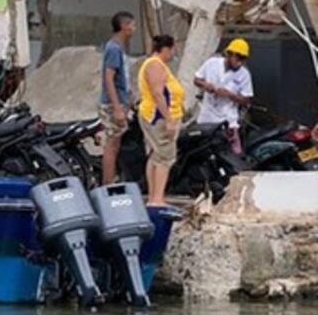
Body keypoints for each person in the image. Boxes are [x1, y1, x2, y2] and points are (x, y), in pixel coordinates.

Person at [137, 34, 185, 207]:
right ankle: (157, 198)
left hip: (159, 116)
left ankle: (154, 197)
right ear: (166, 49)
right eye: (172, 50)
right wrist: (169, 120)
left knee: (157, 156)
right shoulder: (155, 65)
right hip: (158, 117)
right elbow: (158, 93)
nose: (172, 54)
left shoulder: (158, 65)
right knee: (165, 156)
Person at [194, 37, 254, 155]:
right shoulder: (212, 63)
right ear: (229, 54)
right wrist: (206, 86)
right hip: (207, 118)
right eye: (238, 58)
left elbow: (246, 100)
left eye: (243, 59)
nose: (240, 62)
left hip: (228, 121)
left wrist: (230, 95)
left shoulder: (244, 74)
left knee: (232, 154)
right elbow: (197, 80)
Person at [99, 11, 136, 184]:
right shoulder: (113, 48)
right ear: (124, 26)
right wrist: (117, 107)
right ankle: (107, 184)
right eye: (132, 25)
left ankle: (111, 179)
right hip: (113, 104)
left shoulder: (119, 48)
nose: (134, 29)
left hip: (121, 100)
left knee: (116, 143)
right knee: (112, 145)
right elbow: (109, 78)